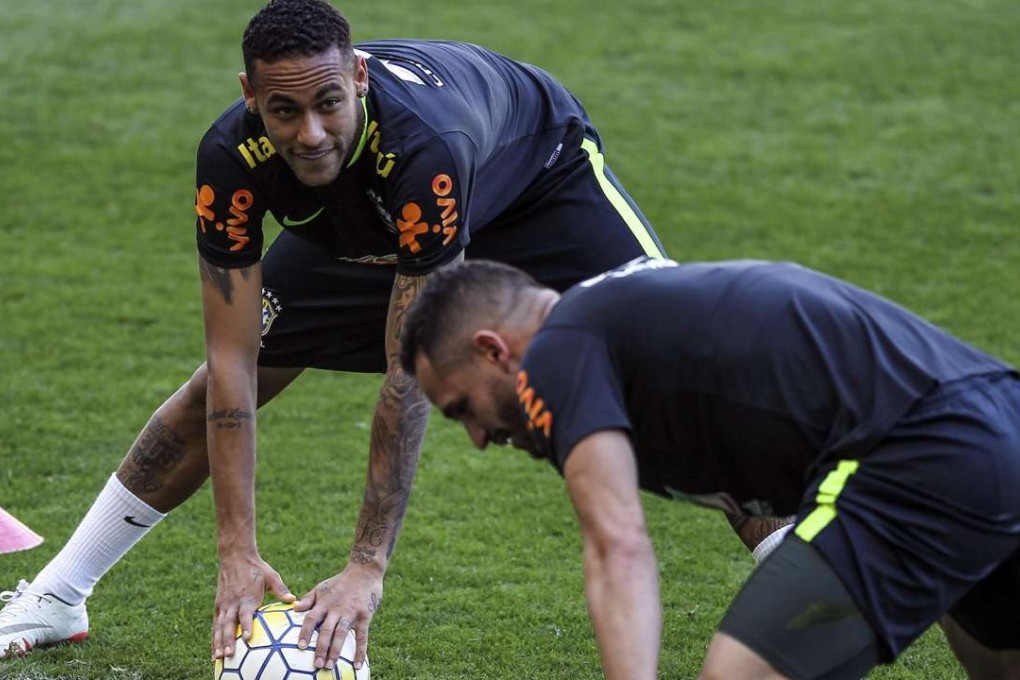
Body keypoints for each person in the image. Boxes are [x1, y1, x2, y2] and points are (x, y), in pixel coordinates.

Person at [0, 0, 669, 669]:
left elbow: (410, 370)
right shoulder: (232, 156)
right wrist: (235, 548)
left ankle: (777, 550)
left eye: (328, 103)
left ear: (358, 76)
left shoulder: (424, 146)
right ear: (250, 97)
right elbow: (232, 360)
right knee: (217, 385)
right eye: (285, 111)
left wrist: (365, 568)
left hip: (535, 191)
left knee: (670, 352)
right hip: (364, 225)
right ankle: (59, 595)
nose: (312, 132)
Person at [399, 257, 1020, 679]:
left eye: (462, 409)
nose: (478, 437)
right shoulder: (621, 333)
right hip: (996, 426)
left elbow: (618, 547)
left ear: (493, 351)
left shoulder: (558, 347)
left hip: (921, 452)